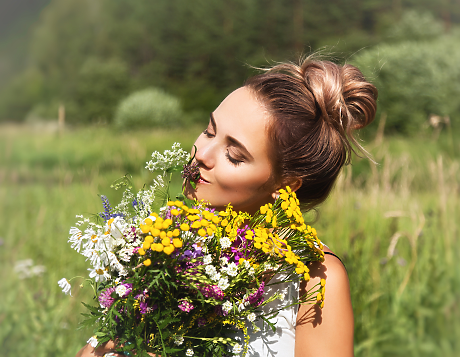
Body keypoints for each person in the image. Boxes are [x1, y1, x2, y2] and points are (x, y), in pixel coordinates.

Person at [76, 56, 377, 357]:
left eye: (234, 155)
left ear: (284, 186)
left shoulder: (314, 279)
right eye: (209, 131)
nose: (202, 154)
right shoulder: (159, 246)